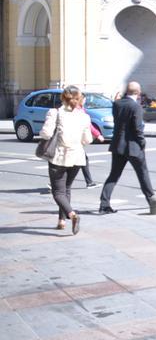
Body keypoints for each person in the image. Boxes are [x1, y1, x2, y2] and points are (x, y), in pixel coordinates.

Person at [41, 86, 93, 233]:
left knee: (58, 192)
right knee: (67, 189)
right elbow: (88, 139)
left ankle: (72, 215)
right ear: (78, 99)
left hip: (59, 157)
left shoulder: (55, 113)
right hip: (77, 157)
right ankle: (61, 221)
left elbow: (46, 133)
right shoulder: (84, 117)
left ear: (63, 98)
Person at [99, 81, 156, 214]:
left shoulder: (116, 104)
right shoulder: (135, 107)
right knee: (143, 174)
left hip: (118, 145)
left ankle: (104, 204)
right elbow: (137, 128)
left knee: (113, 175)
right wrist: (142, 142)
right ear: (138, 92)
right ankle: (152, 202)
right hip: (133, 146)